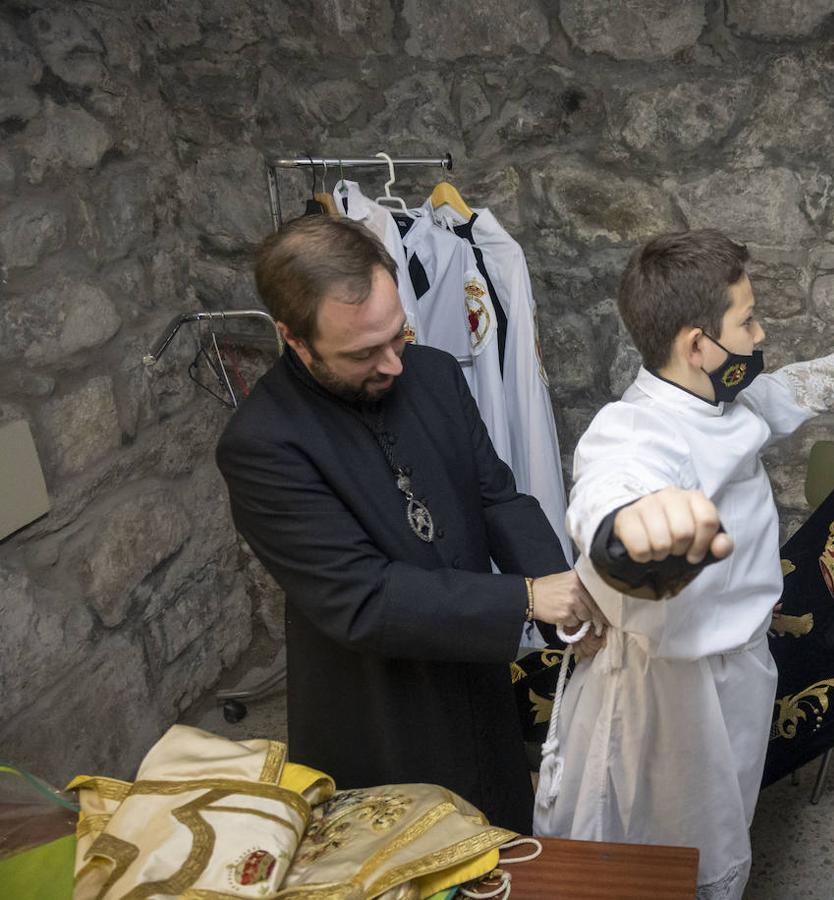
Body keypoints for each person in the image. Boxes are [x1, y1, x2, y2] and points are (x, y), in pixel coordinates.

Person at [216, 215, 602, 833]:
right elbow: (361, 597)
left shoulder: (436, 374)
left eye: (398, 336)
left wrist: (565, 594)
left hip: (474, 670)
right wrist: (527, 599)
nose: (394, 364)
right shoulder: (263, 443)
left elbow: (498, 498)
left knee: (501, 833)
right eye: (363, 353)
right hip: (376, 707)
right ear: (295, 339)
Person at [532, 229, 834, 899]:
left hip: (736, 668)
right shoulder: (637, 430)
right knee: (670, 855)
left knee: (724, 824)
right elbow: (612, 486)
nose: (761, 331)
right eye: (747, 319)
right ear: (697, 345)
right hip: (673, 694)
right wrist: (629, 525)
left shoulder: (722, 399)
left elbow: (772, 401)